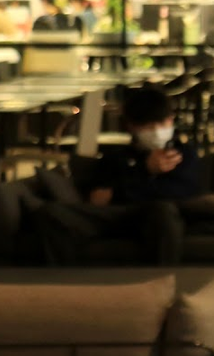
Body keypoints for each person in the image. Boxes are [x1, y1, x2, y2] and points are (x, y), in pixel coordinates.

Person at [30, 86, 201, 266]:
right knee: (53, 213)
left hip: (153, 216)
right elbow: (98, 199)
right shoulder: (117, 157)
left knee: (163, 210)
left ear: (171, 120)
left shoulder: (183, 155)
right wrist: (145, 170)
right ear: (131, 126)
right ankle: (65, 278)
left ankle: (162, 277)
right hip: (115, 216)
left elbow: (182, 194)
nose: (157, 131)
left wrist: (121, 192)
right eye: (149, 126)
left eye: (162, 124)